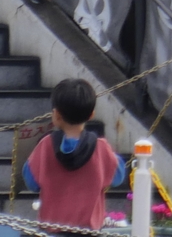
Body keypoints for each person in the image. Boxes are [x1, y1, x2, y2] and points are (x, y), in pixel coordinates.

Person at [23, 78, 126, 232]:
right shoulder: (101, 148)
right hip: (88, 231)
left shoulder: (45, 146)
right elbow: (118, 177)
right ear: (91, 114)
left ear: (56, 115)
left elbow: (31, 182)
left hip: (51, 232)